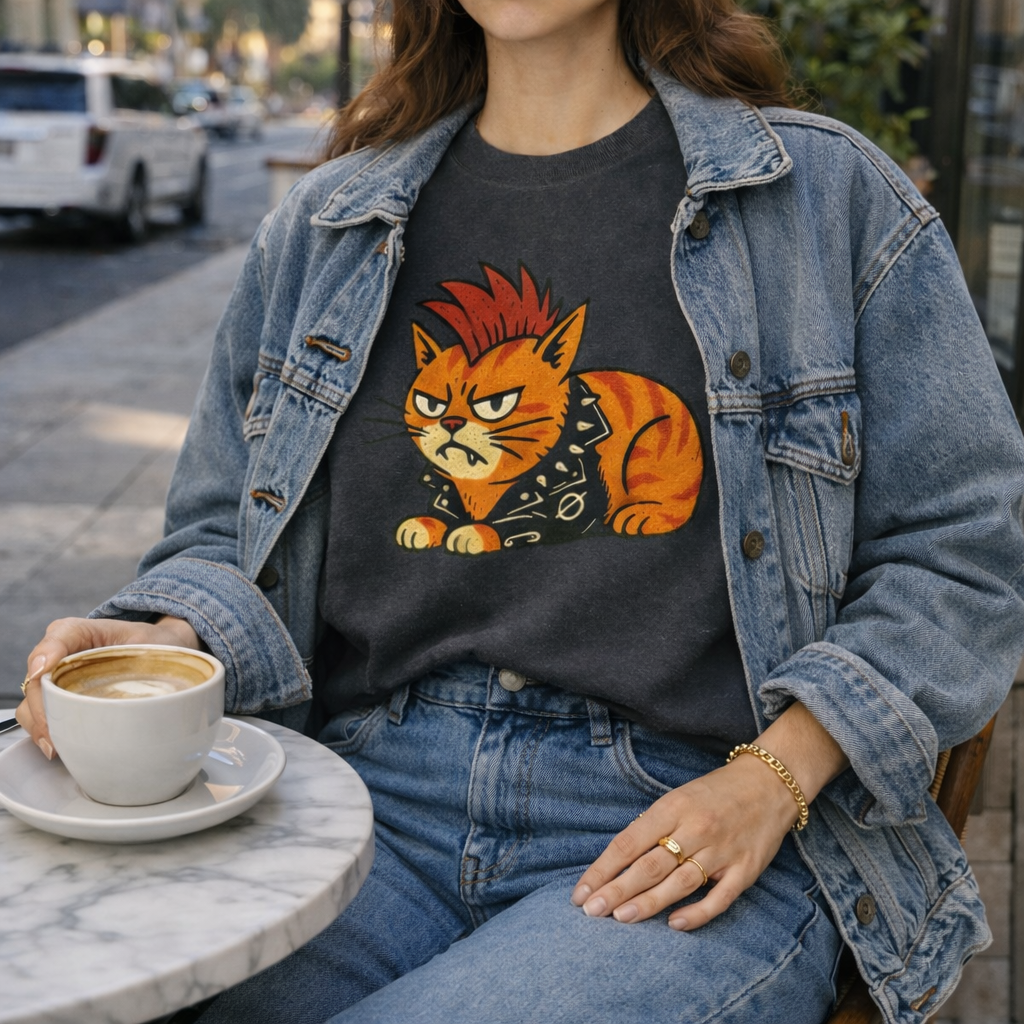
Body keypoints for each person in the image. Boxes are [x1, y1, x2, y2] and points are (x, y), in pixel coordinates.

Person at [15, 2, 1024, 1022]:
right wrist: (159, 633)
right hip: (358, 799)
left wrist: (775, 776)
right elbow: (217, 531)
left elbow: (967, 551)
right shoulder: (326, 226)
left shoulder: (822, 201)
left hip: (680, 814)